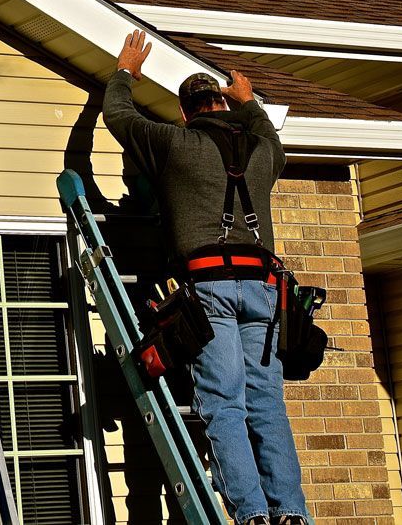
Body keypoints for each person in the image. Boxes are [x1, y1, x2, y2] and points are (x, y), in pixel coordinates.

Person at [103, 30, 310, 525]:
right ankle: (291, 513)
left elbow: (119, 116)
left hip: (209, 287)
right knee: (267, 405)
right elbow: (269, 134)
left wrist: (124, 72)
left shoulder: (174, 142)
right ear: (223, 104)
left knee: (223, 404)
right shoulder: (262, 151)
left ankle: (253, 514)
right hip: (263, 291)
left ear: (184, 111)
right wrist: (250, 101)